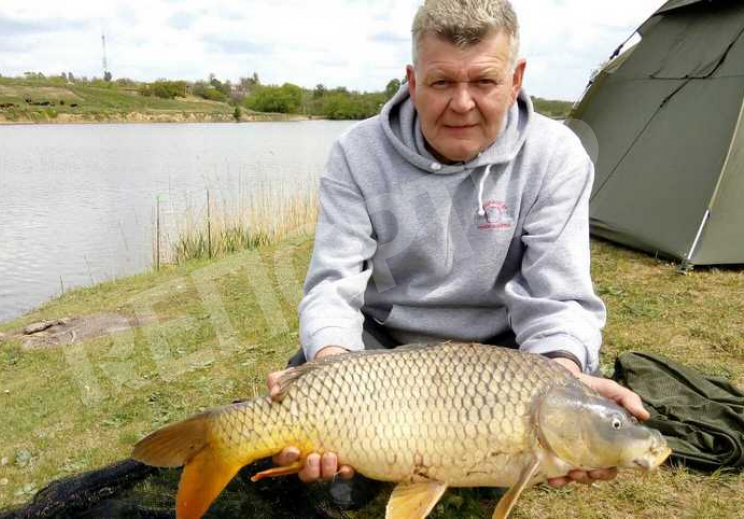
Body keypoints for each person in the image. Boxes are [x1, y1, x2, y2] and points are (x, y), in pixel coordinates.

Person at [266, 0, 650, 501]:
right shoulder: (356, 153)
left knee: (524, 458)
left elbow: (556, 297)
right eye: (442, 82)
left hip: (503, 362)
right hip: (384, 356)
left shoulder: (556, 156)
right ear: (412, 79)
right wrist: (332, 375)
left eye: (484, 82)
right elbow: (334, 285)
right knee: (334, 475)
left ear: (516, 79)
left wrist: (561, 379)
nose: (462, 104)